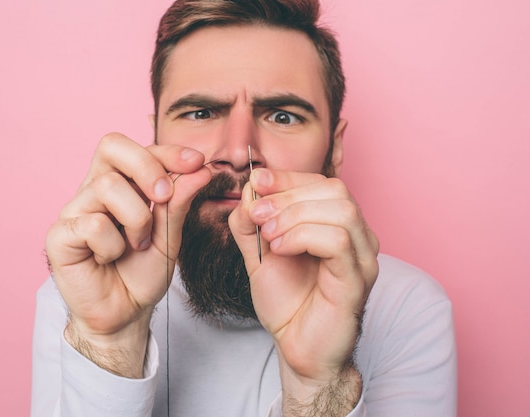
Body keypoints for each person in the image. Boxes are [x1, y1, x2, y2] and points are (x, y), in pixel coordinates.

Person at [32, 0, 457, 416]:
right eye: (200, 113)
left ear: (336, 146)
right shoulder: (82, 294)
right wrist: (110, 343)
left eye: (283, 116)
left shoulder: (407, 309)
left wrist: (319, 385)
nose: (238, 152)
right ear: (156, 136)